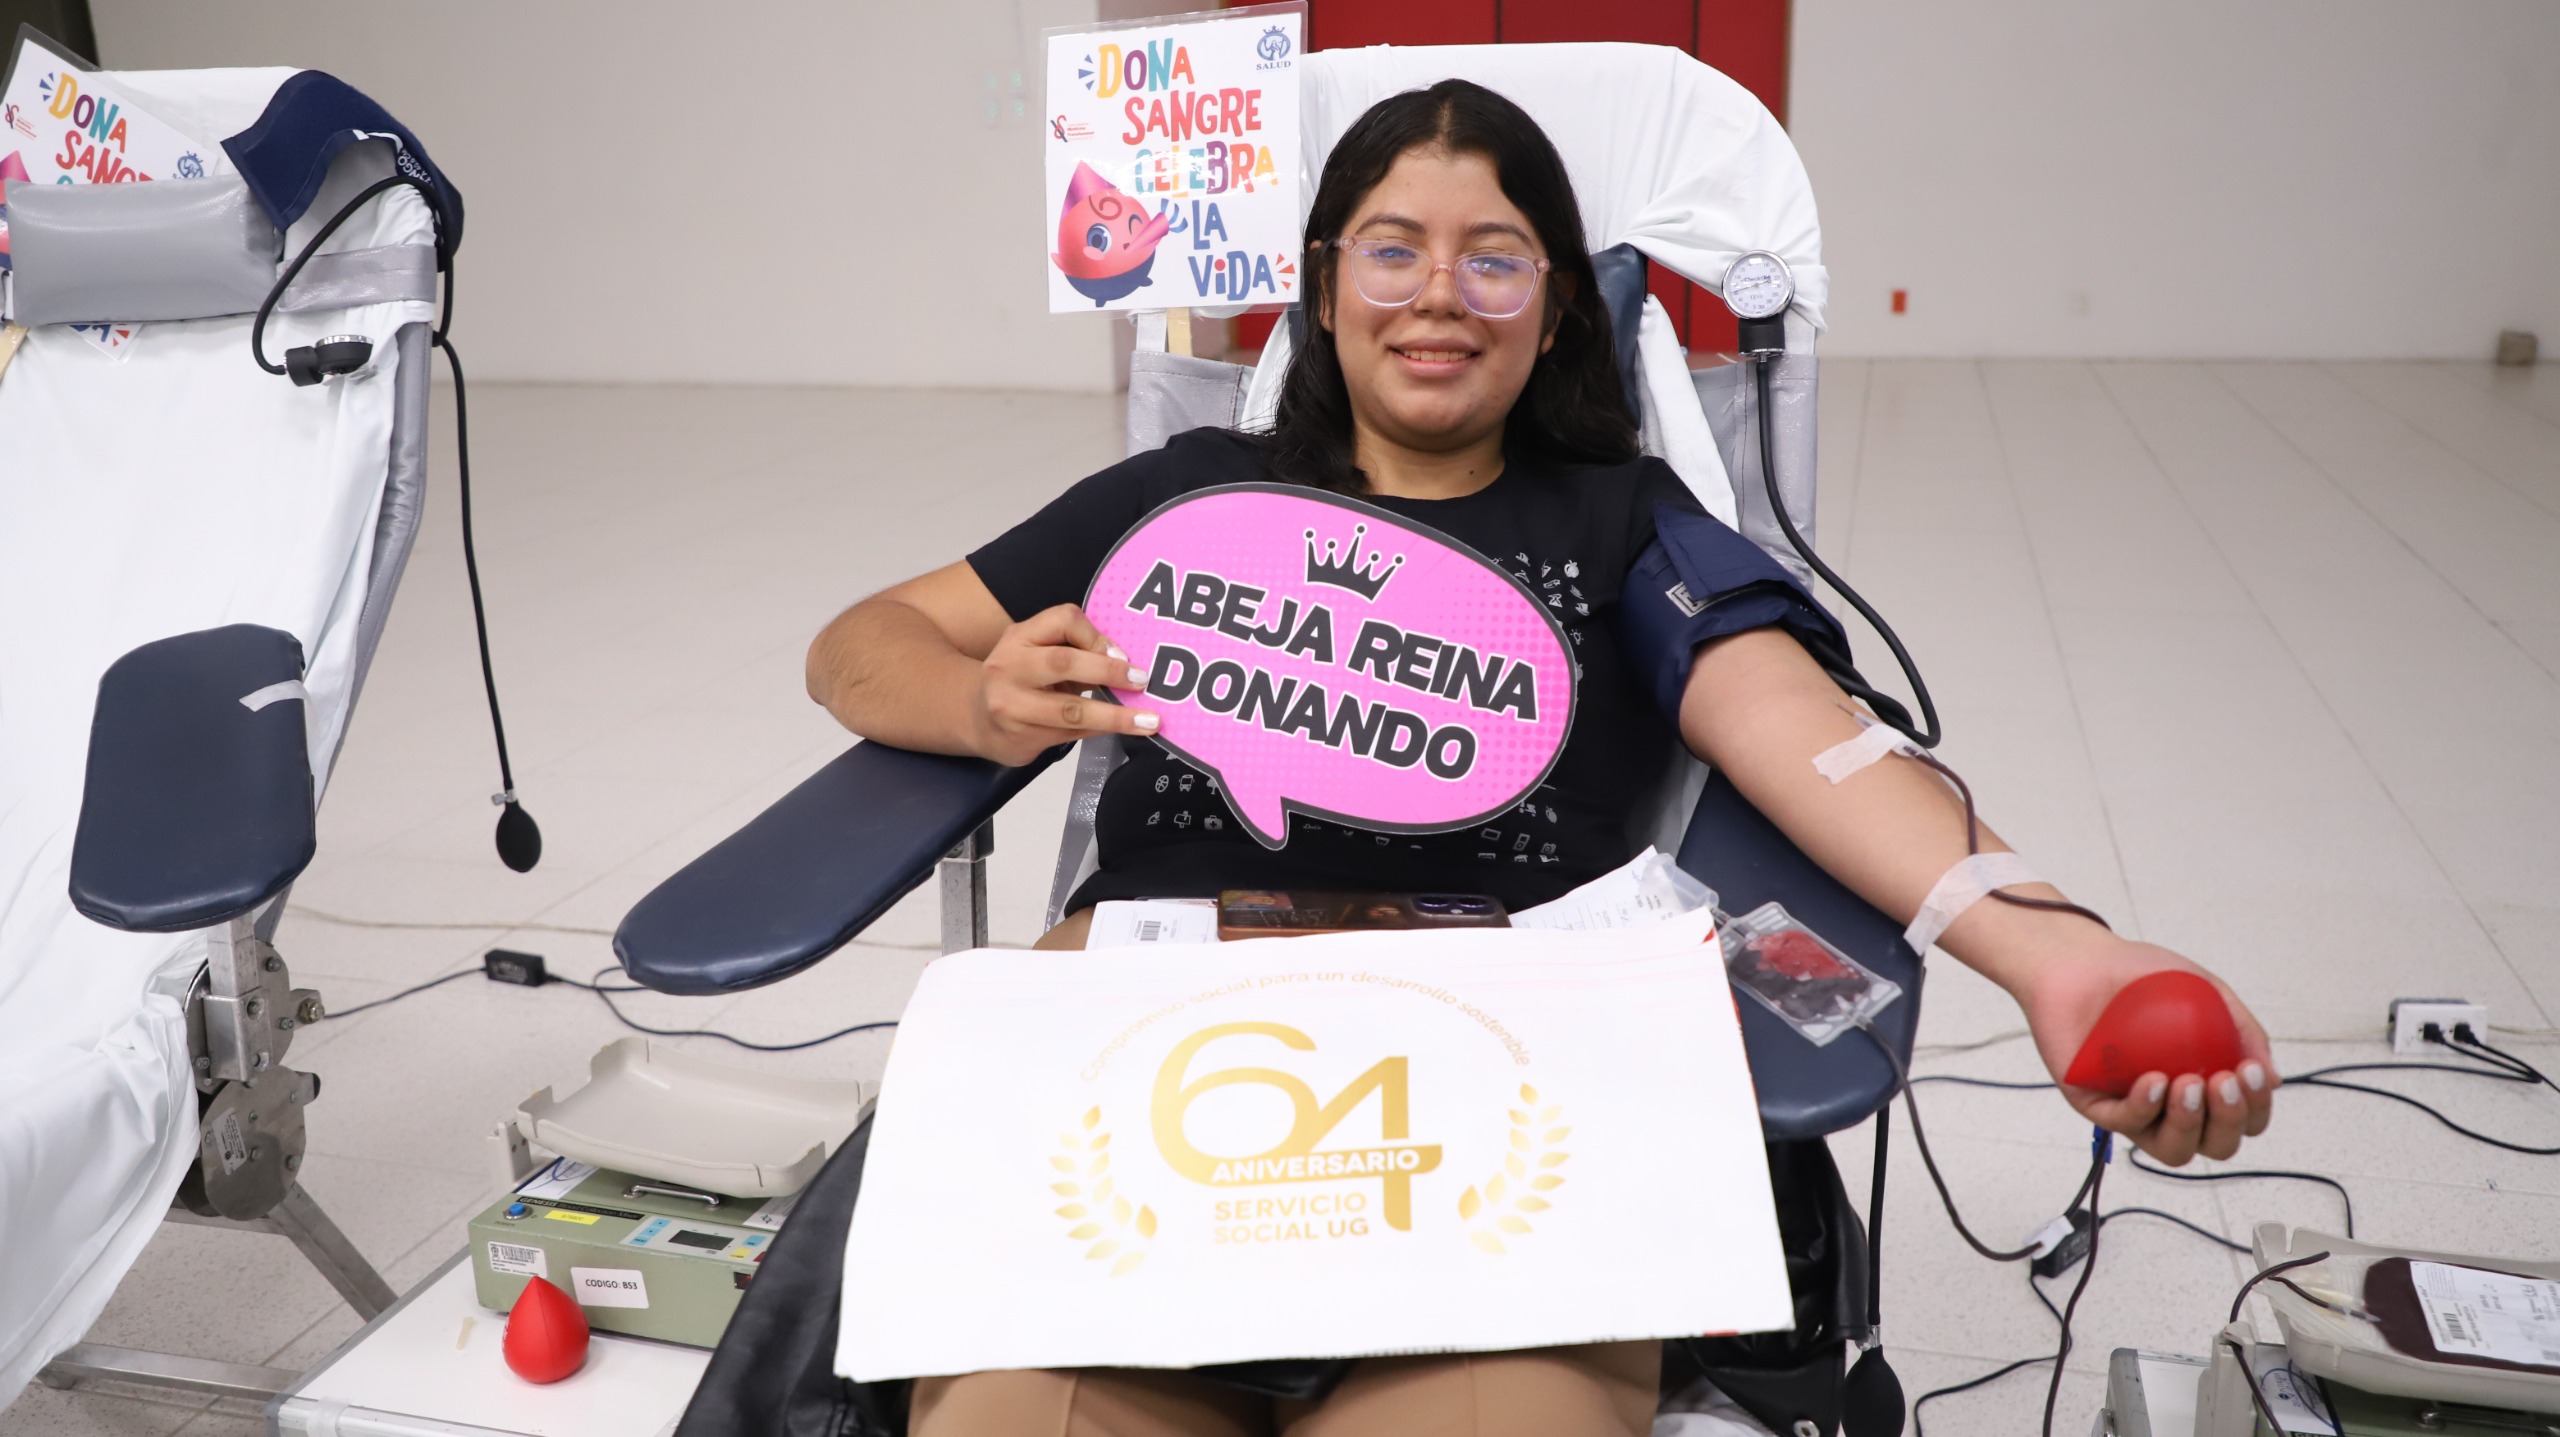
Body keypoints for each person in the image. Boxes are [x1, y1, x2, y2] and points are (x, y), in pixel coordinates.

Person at [807, 79, 2275, 1437]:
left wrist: (2052, 951)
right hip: (1154, 1050)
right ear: (1324, 285)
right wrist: (980, 703)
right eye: (1392, 250)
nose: (1439, 295)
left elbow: (1812, 742)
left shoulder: (1623, 524)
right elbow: (860, 642)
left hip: (1497, 1085)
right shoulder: (1187, 497)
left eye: (1494, 259)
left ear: (1559, 304)